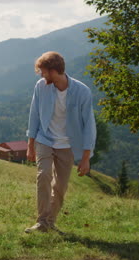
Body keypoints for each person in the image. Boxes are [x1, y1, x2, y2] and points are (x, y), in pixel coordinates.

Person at [25, 51, 96, 234]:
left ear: (55, 71)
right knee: (44, 176)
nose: (41, 75)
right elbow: (34, 116)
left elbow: (89, 125)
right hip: (45, 139)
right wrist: (30, 145)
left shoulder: (82, 92)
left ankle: (50, 221)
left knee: (60, 187)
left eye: (44, 71)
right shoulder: (41, 87)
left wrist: (86, 157)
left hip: (68, 146)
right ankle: (41, 222)